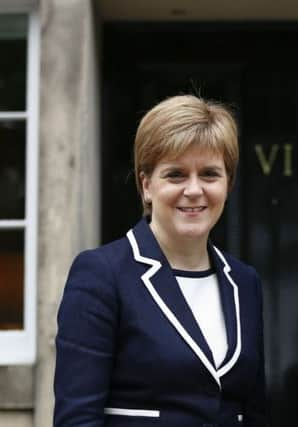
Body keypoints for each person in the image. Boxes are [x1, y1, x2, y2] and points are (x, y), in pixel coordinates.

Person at [54, 95, 267, 426]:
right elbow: (78, 419)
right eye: (176, 175)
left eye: (210, 174)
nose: (194, 189)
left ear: (228, 185)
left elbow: (253, 412)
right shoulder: (101, 275)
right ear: (146, 185)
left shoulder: (244, 281)